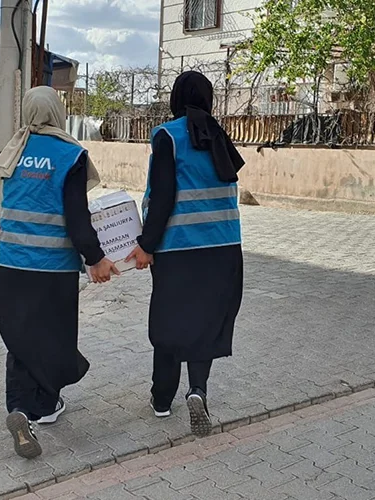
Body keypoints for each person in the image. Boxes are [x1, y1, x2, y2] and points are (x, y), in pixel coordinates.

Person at [0, 86, 119, 459]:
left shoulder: (11, 152)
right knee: (53, 336)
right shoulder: (69, 155)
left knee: (21, 339)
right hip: (53, 270)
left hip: (12, 266)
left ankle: (19, 409)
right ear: (58, 112)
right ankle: (45, 406)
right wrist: (96, 258)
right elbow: (77, 217)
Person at [126, 71, 245, 437]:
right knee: (205, 322)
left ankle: (162, 400)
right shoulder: (218, 134)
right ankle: (198, 391)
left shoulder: (168, 136)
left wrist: (146, 245)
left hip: (178, 250)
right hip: (224, 248)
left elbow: (162, 197)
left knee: (170, 321)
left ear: (176, 97)